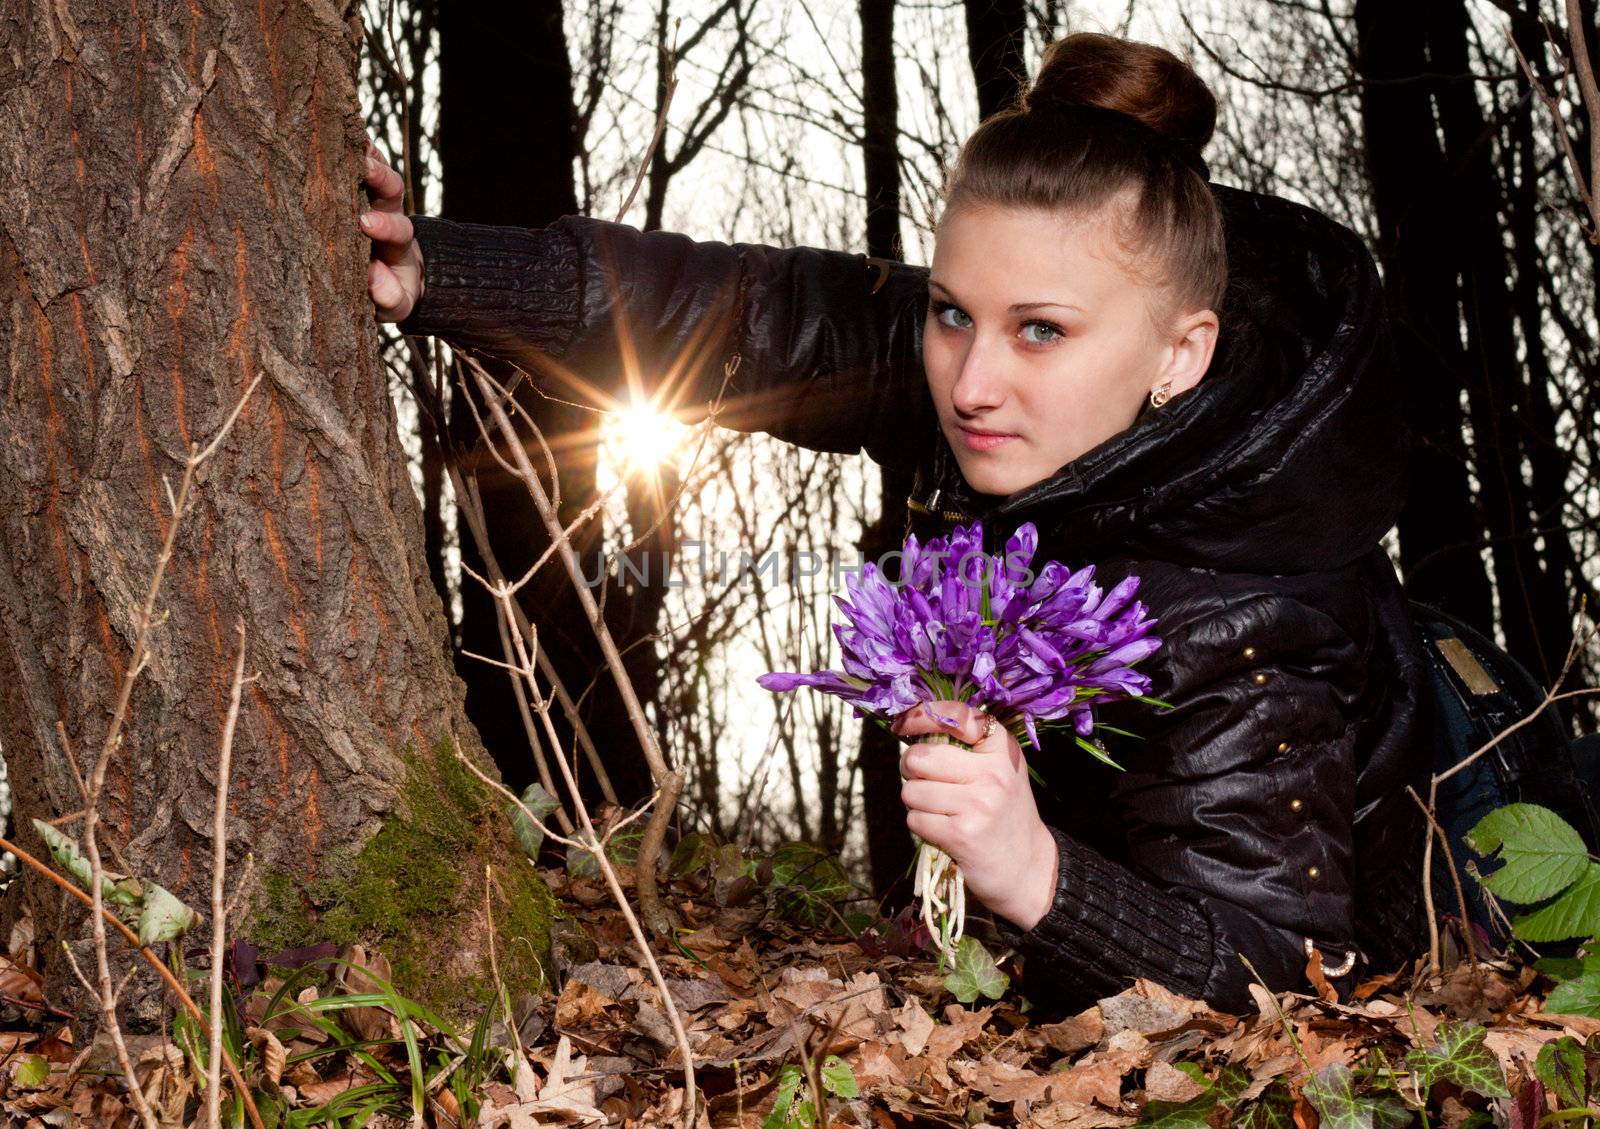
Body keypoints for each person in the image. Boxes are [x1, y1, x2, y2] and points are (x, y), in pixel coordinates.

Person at [360, 31, 1432, 1013]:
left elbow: (1286, 984)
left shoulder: (1252, 612)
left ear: (1180, 354)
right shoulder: (1006, 395)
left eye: (1042, 333)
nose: (971, 384)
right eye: (952, 311)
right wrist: (435, 269)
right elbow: (741, 312)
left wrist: (1033, 873)